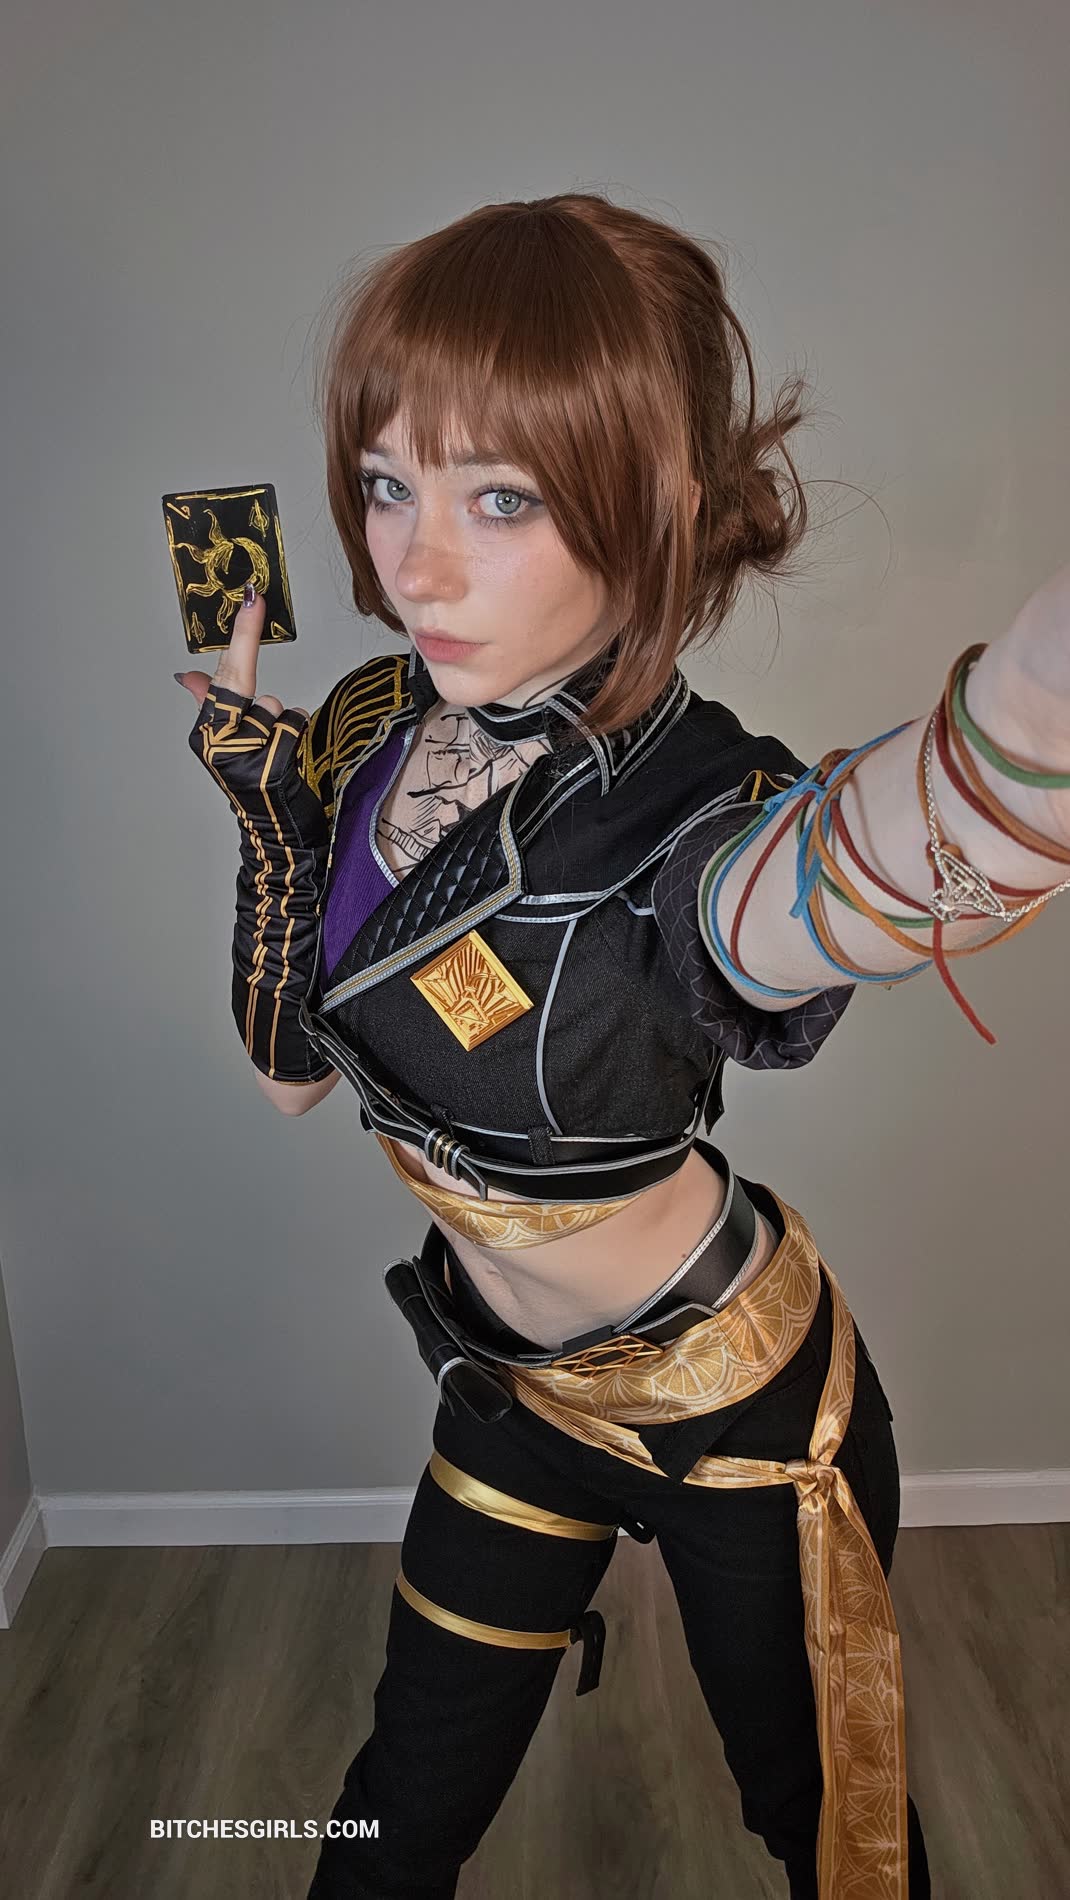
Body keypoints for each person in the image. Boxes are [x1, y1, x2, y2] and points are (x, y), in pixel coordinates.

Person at [176, 192, 1070, 1900]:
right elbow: (292, 1074)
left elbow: (825, 880)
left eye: (499, 498)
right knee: (394, 1816)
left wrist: (1019, 738)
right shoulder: (368, 728)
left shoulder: (699, 810)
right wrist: (275, 832)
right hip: (515, 1392)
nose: (411, 566)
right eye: (386, 484)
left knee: (833, 1837)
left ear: (645, 509)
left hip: (738, 1404)